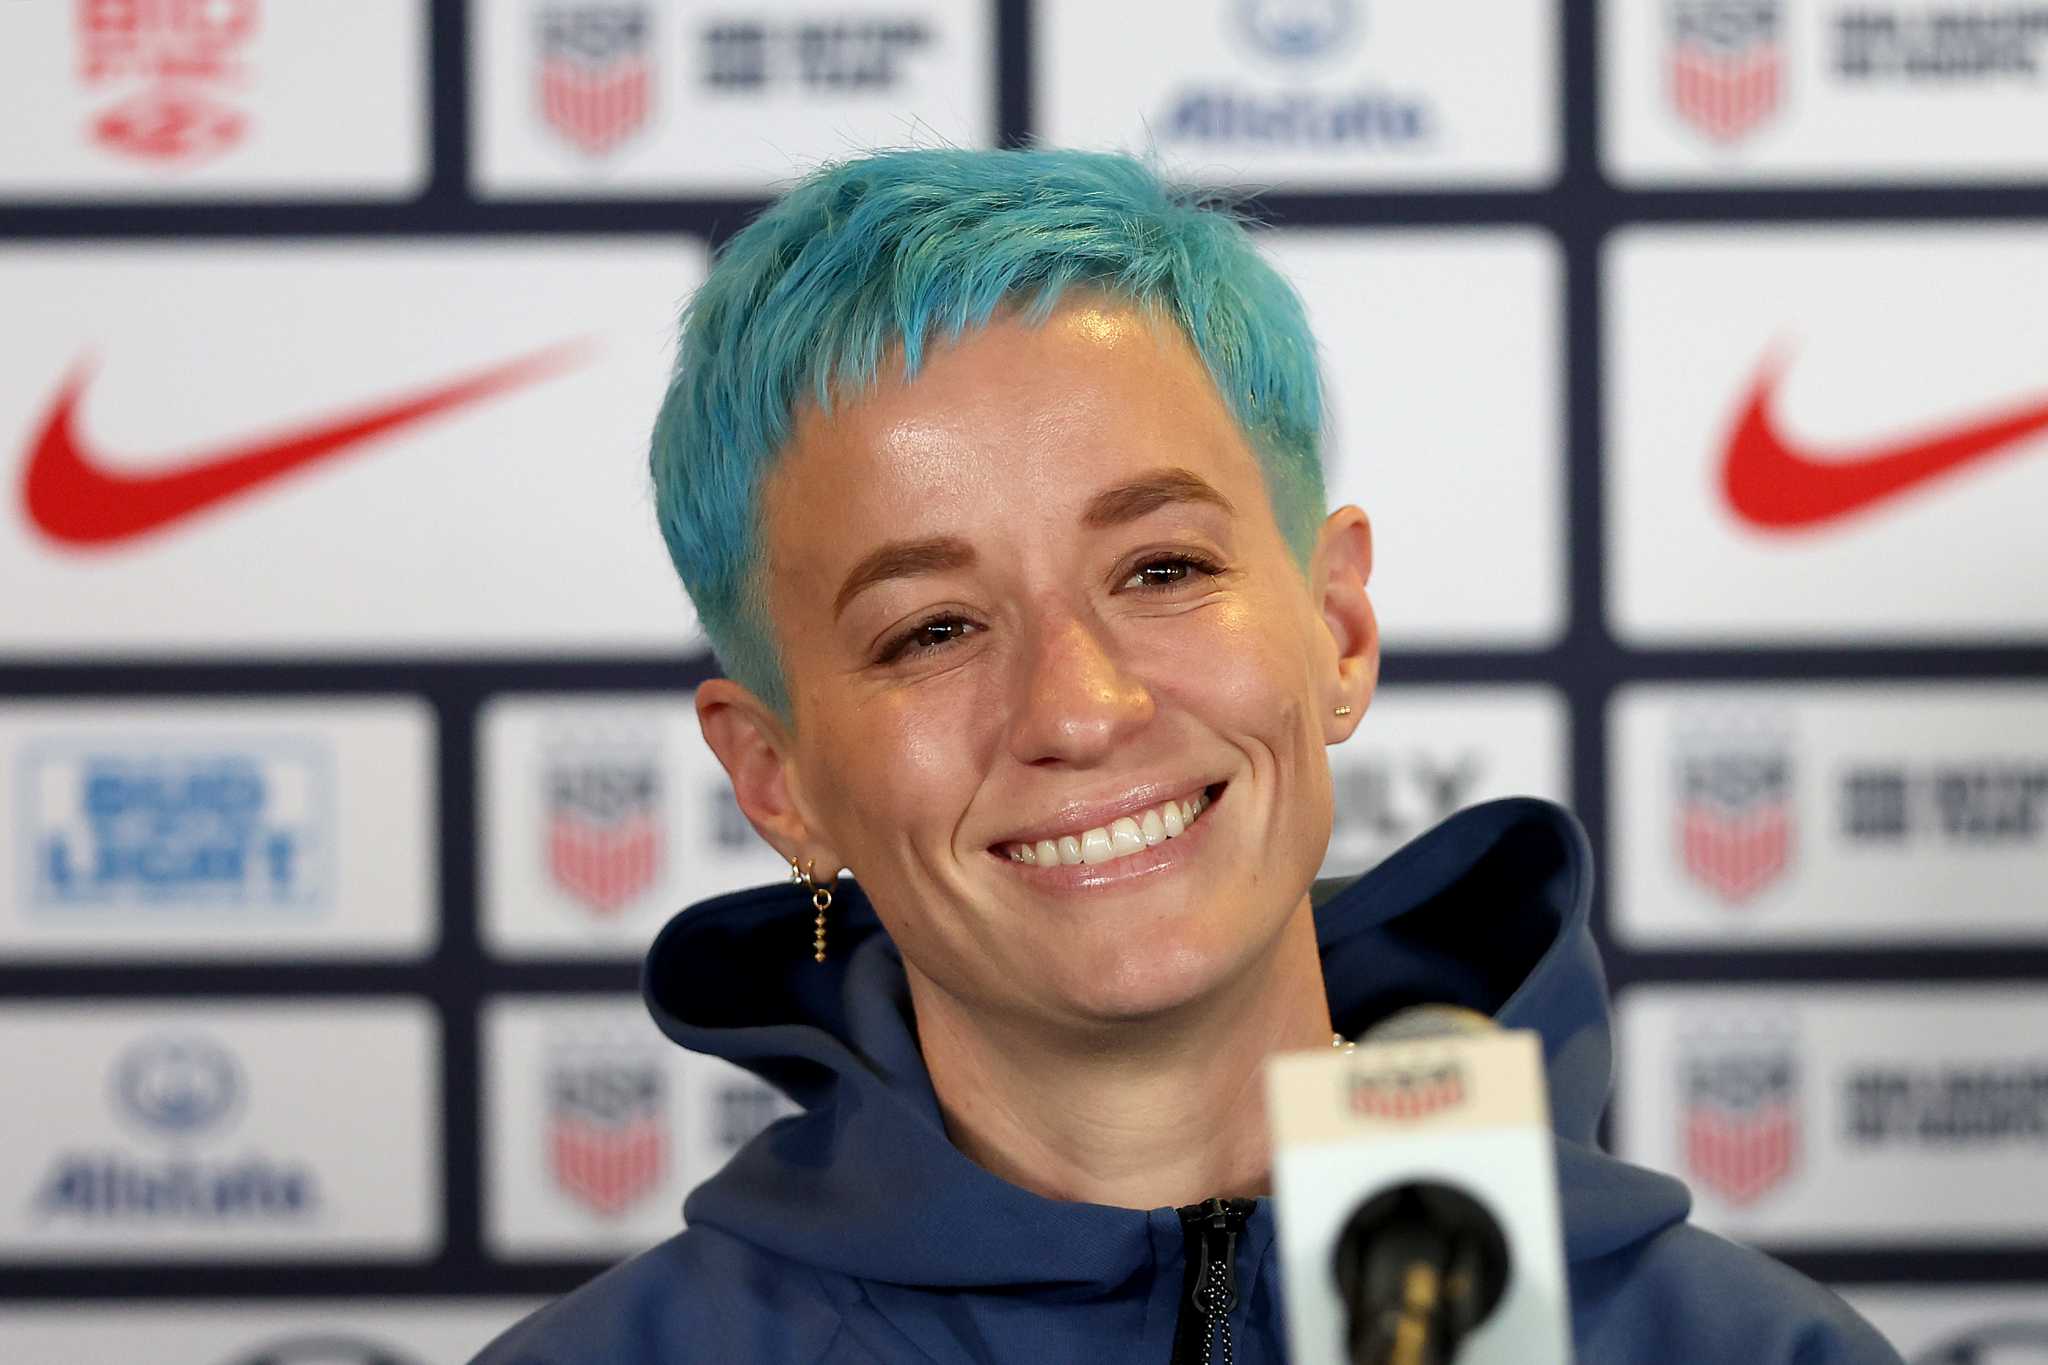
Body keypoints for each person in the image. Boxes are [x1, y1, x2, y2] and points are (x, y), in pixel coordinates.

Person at [472, 148, 1899, 1364]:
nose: (1079, 708)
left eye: (1160, 568)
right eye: (934, 629)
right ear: (776, 777)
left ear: (1337, 628)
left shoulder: (1746, 1349)